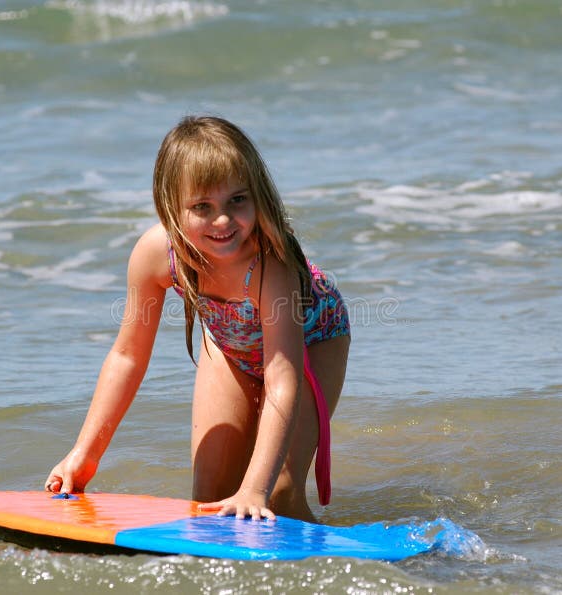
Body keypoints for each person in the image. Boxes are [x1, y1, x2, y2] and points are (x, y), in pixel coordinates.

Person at [45, 116, 350, 522]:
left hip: (311, 344)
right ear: (171, 208)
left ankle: (318, 570)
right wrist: (84, 455)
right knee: (210, 499)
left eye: (237, 200)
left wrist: (254, 490)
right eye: (202, 207)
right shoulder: (155, 255)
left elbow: (282, 375)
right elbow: (127, 357)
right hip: (231, 347)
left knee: (277, 493)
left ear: (258, 195)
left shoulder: (271, 262)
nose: (223, 221)